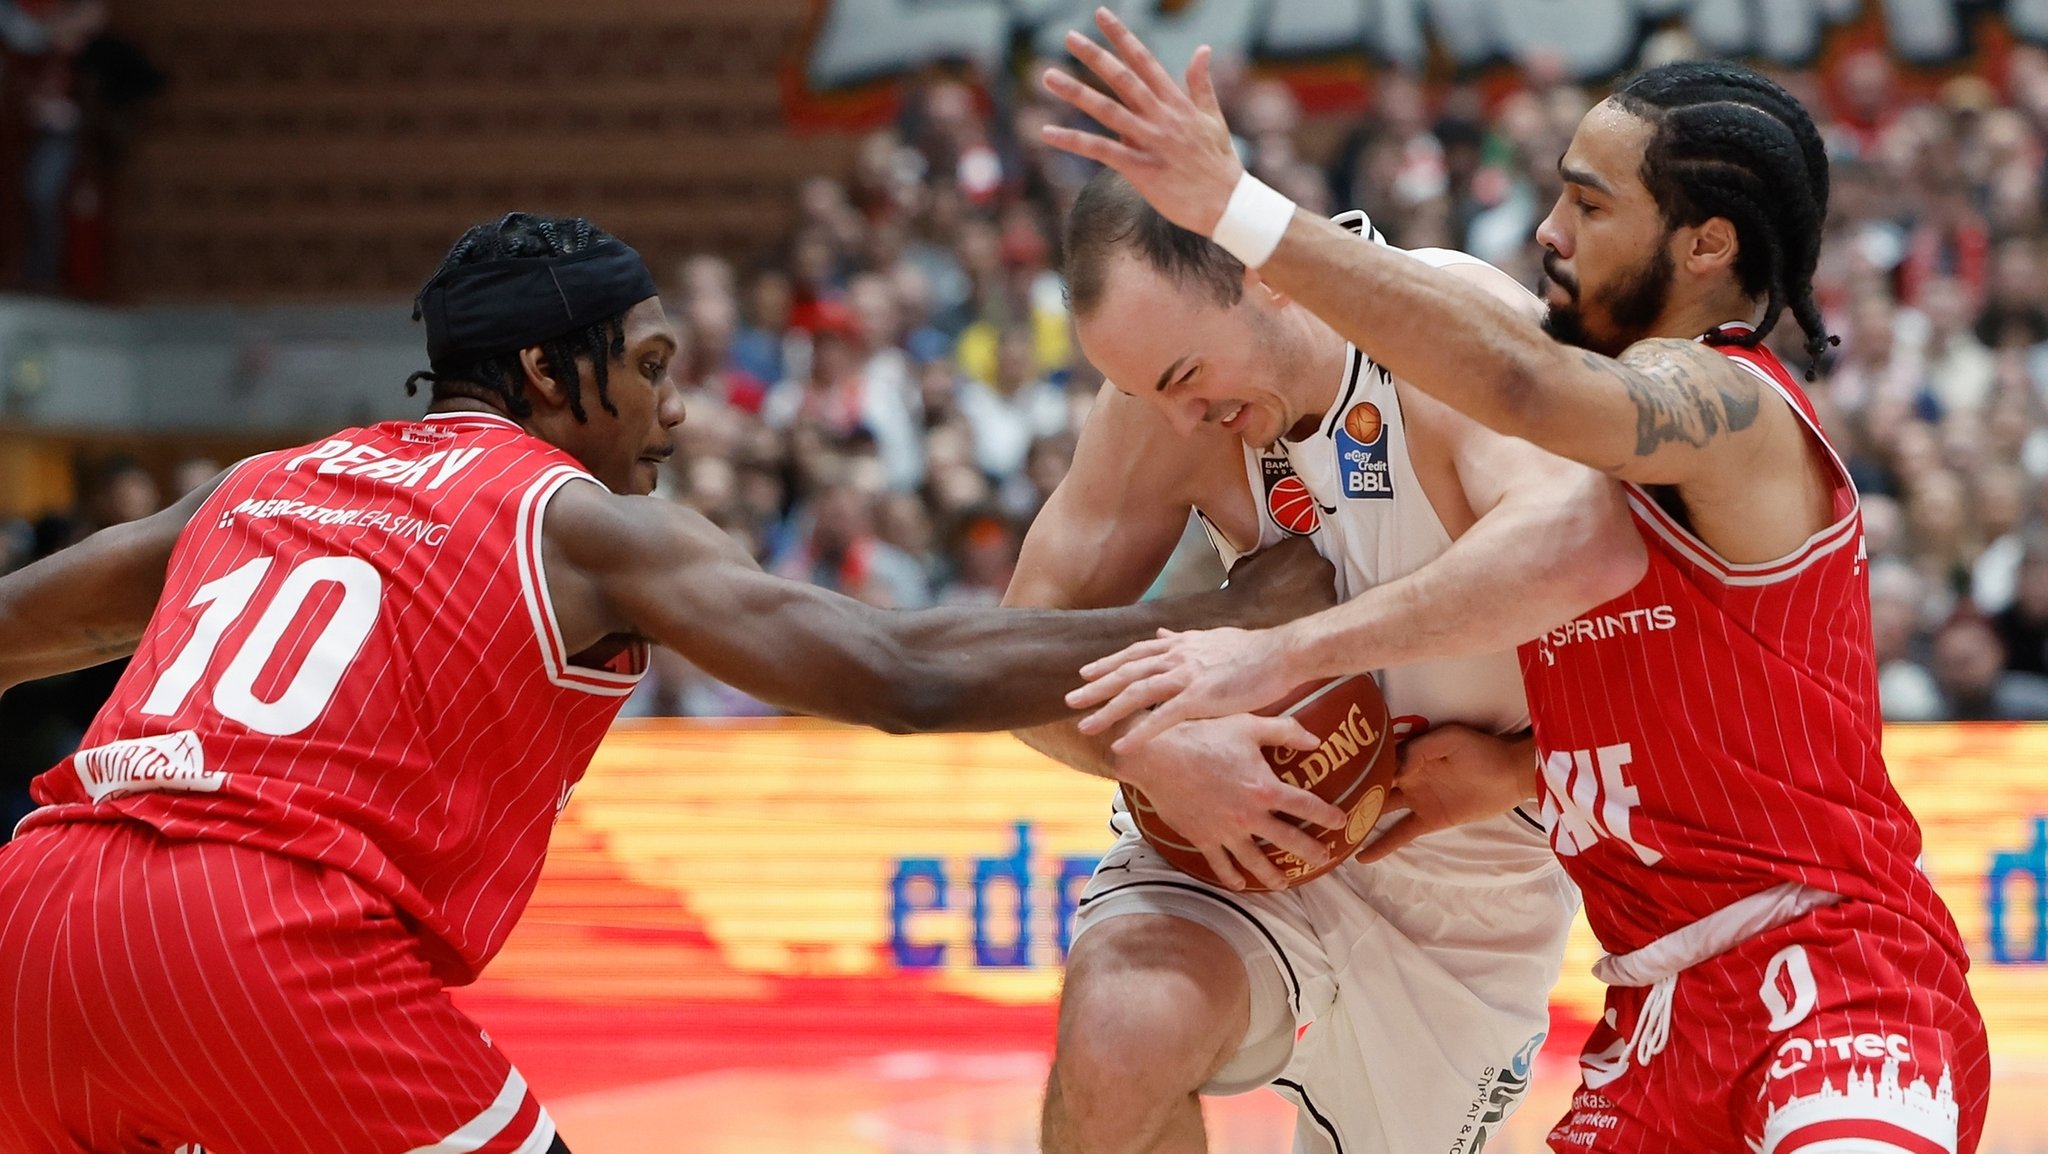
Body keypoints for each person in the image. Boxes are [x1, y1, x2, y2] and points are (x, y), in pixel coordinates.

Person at [0, 211, 1333, 1154]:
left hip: (37, 904)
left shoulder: (261, 481)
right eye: (645, 371)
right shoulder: (575, 519)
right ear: (542, 374)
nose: (674, 414)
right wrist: (1229, 616)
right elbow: (895, 669)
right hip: (267, 938)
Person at [1042, 12, 1989, 1153]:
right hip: (1655, 1007)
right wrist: (1508, 769)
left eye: (1588, 206)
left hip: (1831, 968)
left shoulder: (1726, 404)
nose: (1546, 231)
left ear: (1700, 246)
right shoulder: (1588, 465)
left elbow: (1518, 382)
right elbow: (1670, 708)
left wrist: (1240, 214)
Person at [1008, 170, 1643, 1154]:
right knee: (1118, 1029)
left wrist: (1521, 769)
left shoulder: (1440, 318)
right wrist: (1152, 757)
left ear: (1269, 272)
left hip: (1469, 869)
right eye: (1142, 393)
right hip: (1243, 834)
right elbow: (1015, 655)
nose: (1175, 421)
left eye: (1180, 378)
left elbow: (1579, 550)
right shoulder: (1164, 398)